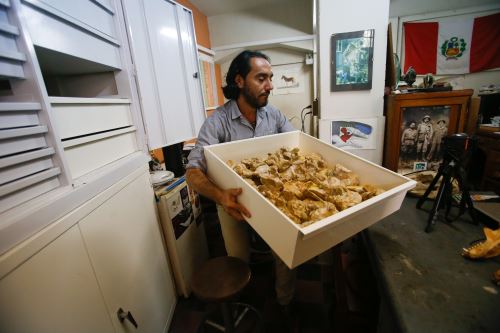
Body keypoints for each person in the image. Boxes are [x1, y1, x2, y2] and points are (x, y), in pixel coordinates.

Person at [185, 50, 297, 310]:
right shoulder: (217, 122)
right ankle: (242, 305)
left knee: (285, 252)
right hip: (233, 202)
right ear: (239, 81)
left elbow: (295, 147)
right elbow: (192, 172)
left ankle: (285, 304)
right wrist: (221, 197)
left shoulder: (274, 115)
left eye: (270, 78)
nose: (269, 86)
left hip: (273, 202)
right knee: (237, 257)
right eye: (261, 78)